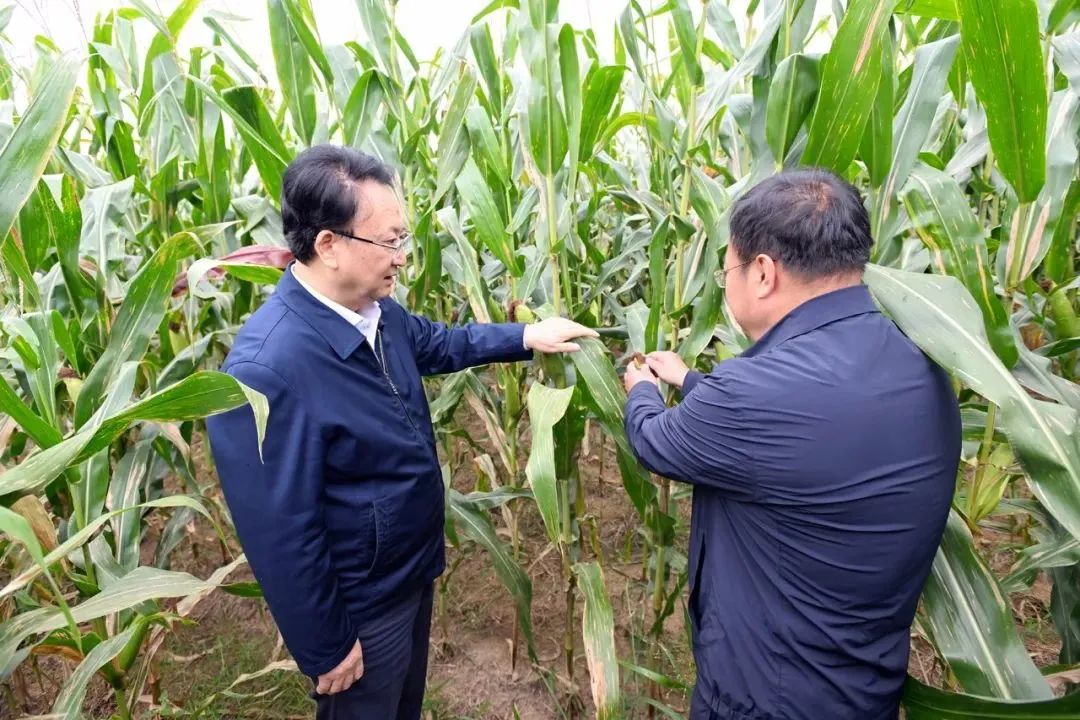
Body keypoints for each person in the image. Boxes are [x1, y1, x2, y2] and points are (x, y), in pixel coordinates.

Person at [205, 144, 597, 719]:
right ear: (329, 245)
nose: (403, 257)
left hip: (408, 570)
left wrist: (525, 337)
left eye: (403, 239)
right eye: (390, 241)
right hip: (361, 601)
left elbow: (438, 343)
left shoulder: (375, 310)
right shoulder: (267, 369)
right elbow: (278, 530)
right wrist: (325, 644)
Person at [621, 168, 961, 720]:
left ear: (762, 273)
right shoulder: (921, 364)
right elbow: (803, 436)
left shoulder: (750, 397)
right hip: (865, 690)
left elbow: (655, 440)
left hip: (766, 696)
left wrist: (641, 388)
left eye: (727, 269)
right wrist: (691, 381)